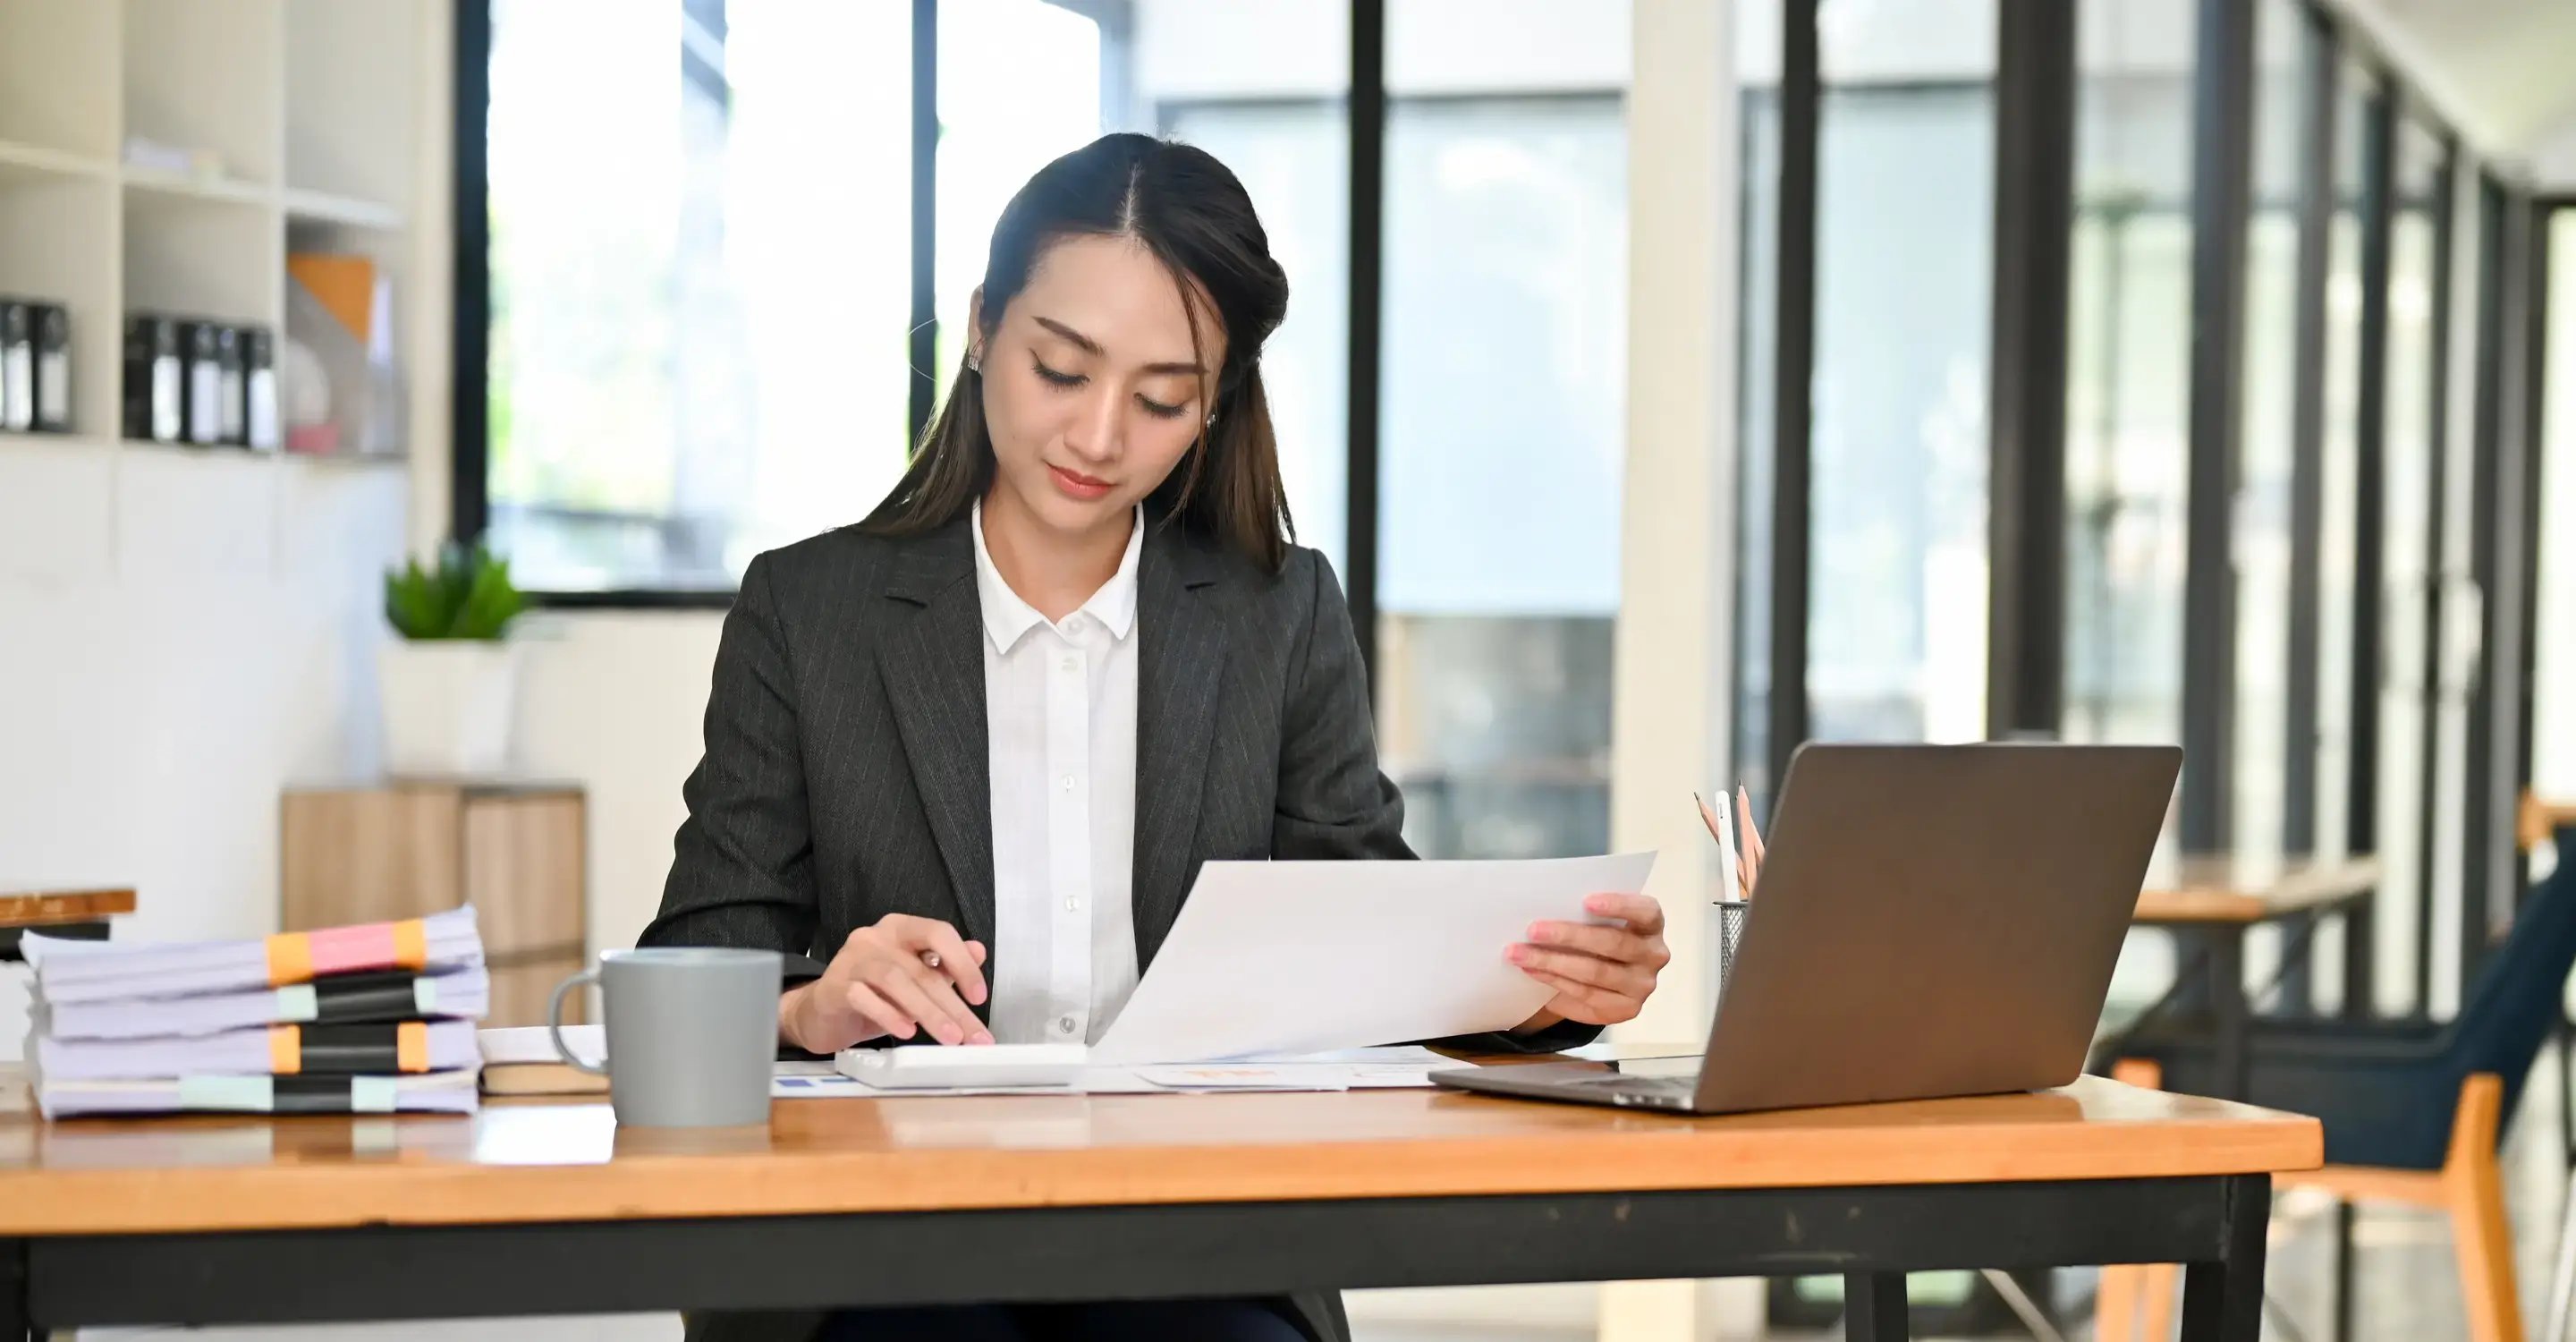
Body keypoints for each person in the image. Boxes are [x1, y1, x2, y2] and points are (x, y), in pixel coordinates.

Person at [640, 132, 1672, 1342]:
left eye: (1162, 398)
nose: (1098, 436)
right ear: (980, 328)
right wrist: (811, 1005)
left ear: (1215, 402)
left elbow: (1363, 934)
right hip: (883, 1225)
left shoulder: (1279, 614)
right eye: (1060, 369)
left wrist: (1542, 996)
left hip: (1194, 1229)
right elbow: (696, 957)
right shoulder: (809, 610)